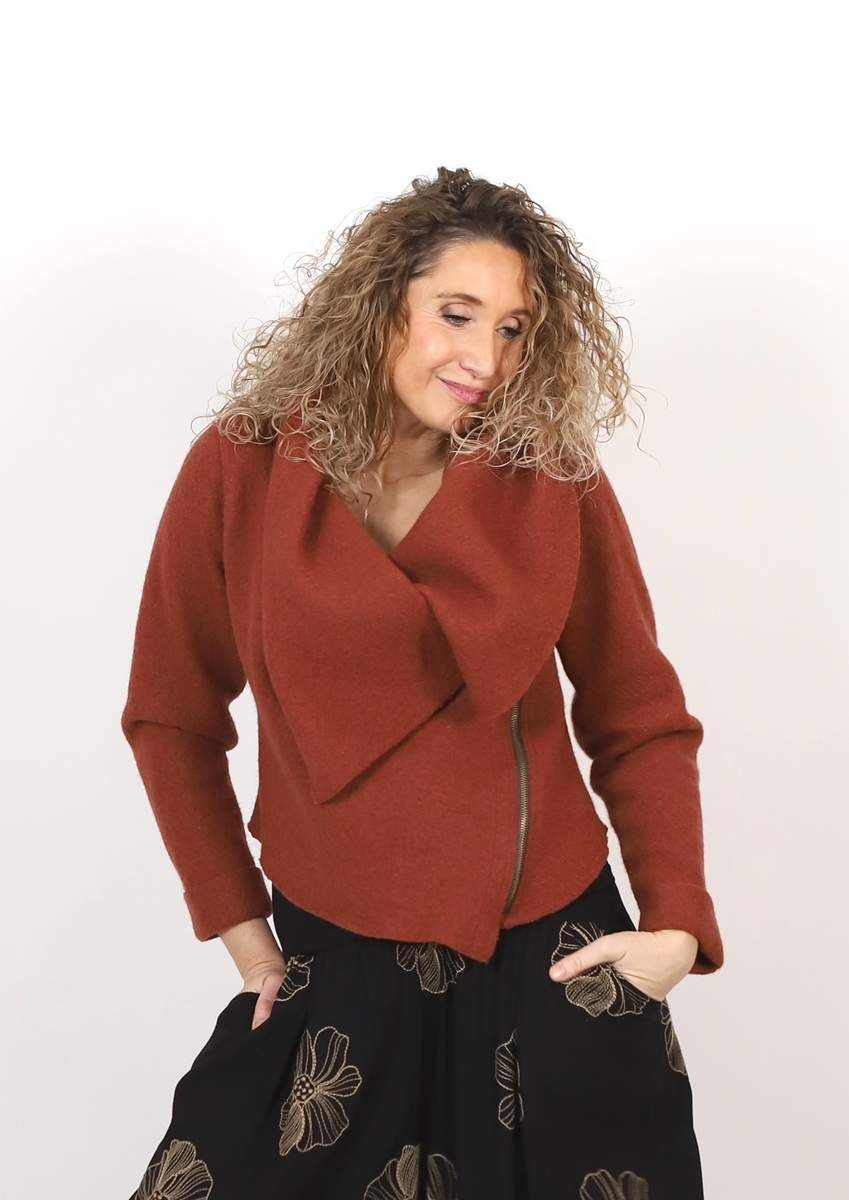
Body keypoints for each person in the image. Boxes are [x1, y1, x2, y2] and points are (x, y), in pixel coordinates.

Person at [122, 166, 723, 1200]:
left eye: (513, 329)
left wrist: (676, 922)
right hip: (335, 960)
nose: (484, 357)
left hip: (546, 960)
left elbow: (637, 711)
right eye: (456, 313)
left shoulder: (550, 476)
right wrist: (243, 932)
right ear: (380, 303)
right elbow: (170, 715)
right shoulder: (241, 468)